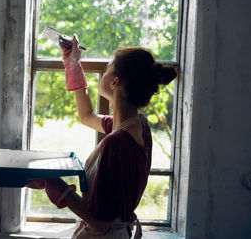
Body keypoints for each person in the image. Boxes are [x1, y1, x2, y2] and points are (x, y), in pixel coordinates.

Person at [27, 34, 178, 238]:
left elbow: (100, 224)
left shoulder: (116, 143)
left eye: (107, 69)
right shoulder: (138, 127)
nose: (104, 73)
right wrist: (73, 65)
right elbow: (86, 116)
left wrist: (56, 185)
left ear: (115, 82)